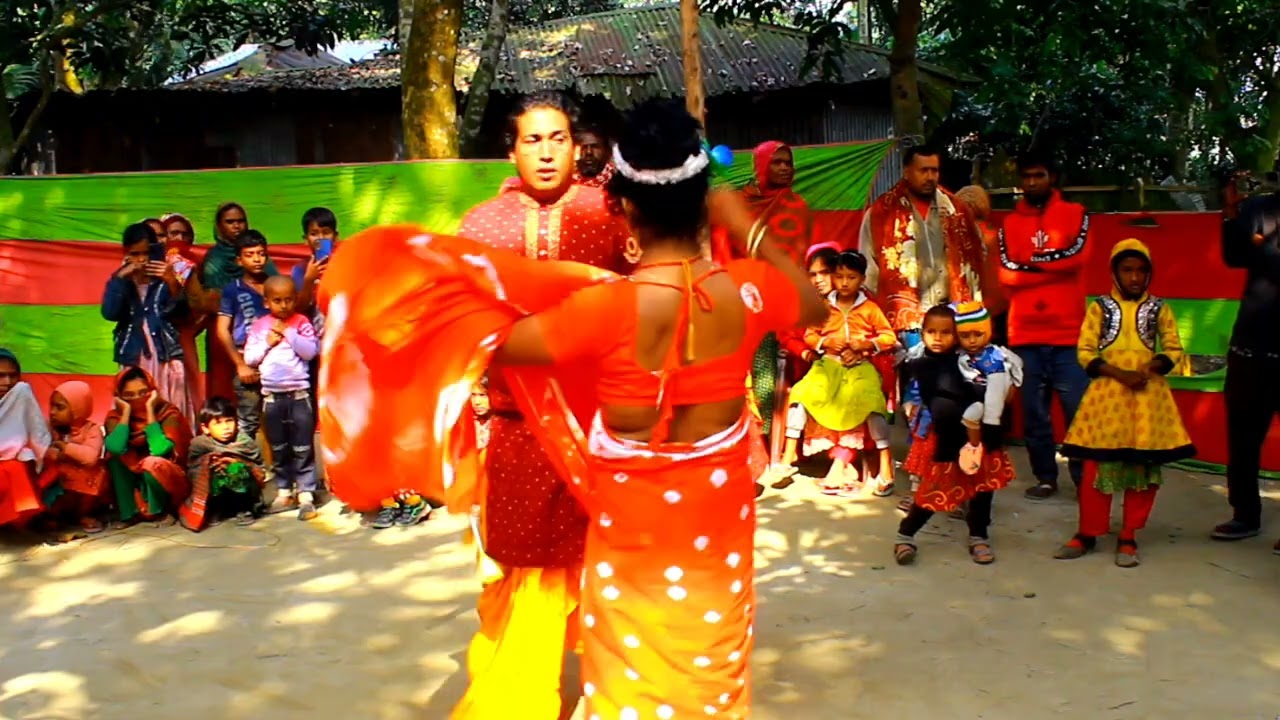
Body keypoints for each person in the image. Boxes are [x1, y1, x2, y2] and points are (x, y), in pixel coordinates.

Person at [316, 99, 826, 718]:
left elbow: (479, 340)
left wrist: (398, 282)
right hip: (715, 540)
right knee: (709, 668)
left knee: (630, 676)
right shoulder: (746, 291)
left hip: (629, 540)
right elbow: (812, 305)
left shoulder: (602, 312)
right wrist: (743, 222)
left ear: (624, 209)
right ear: (702, 202)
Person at [449, 90, 635, 720]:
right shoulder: (481, 226)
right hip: (516, 421)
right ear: (512, 150)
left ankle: (614, 694)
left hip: (600, 423)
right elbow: (462, 319)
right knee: (522, 563)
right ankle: (519, 698)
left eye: (559, 139)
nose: (548, 152)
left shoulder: (610, 216)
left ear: (577, 147)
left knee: (609, 560)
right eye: (533, 140)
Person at [1053, 240, 1196, 566]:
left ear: (1150, 273)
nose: (1135, 277)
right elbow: (1085, 352)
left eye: (1141, 270)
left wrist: (1151, 367)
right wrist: (1120, 374)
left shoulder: (1159, 308)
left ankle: (1129, 536)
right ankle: (1087, 533)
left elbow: (1173, 349)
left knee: (1143, 468)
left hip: (1148, 399)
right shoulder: (1099, 308)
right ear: (1114, 272)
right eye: (1127, 270)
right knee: (1096, 468)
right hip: (1106, 400)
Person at [998, 150, 1092, 501]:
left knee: (1078, 413)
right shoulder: (1009, 224)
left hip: (1069, 334)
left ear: (1052, 177)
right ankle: (1045, 478)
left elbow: (1078, 257)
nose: (1032, 182)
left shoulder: (1076, 214)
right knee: (1035, 415)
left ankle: (1085, 479)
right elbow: (1005, 274)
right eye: (1027, 177)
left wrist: (1029, 265)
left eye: (1039, 175)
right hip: (1025, 334)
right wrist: (1054, 266)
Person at [895, 305, 1015, 566]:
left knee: (983, 488)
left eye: (947, 332)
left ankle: (979, 536)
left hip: (982, 437)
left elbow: (1004, 394)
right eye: (931, 332)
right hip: (947, 437)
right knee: (934, 489)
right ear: (922, 333)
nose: (938, 338)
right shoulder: (922, 364)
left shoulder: (975, 360)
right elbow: (951, 396)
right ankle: (905, 534)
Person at [787, 250, 895, 496]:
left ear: (862, 279)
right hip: (828, 367)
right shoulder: (825, 306)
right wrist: (825, 343)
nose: (844, 283)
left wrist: (865, 345)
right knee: (802, 395)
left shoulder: (870, 308)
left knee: (870, 403)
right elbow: (808, 335)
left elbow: (888, 337)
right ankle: (786, 459)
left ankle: (885, 466)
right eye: (839, 276)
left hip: (860, 368)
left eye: (851, 277)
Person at [1213, 172, 1280, 546]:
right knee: (1242, 438)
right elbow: (1234, 257)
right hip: (1250, 345)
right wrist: (1230, 214)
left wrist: (1262, 247)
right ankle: (1244, 514)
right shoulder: (1258, 208)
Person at [858, 145, 985, 335]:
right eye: (923, 170)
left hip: (954, 315)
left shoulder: (957, 211)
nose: (930, 177)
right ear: (907, 172)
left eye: (934, 171)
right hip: (906, 322)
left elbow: (978, 253)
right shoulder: (882, 213)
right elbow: (868, 267)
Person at [100, 222, 195, 423]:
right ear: (126, 253)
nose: (141, 260)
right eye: (135, 254)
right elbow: (110, 313)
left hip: (165, 357)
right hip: (134, 357)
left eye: (146, 253)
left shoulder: (165, 278)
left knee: (169, 410)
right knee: (135, 410)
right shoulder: (120, 280)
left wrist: (172, 282)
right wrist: (120, 280)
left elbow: (183, 315)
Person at [243, 275, 319, 520]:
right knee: (278, 447)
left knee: (302, 446)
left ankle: (306, 493)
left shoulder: (301, 322)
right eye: (277, 301)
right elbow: (250, 358)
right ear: (266, 302)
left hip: (298, 395)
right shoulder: (259, 327)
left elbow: (310, 352)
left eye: (288, 300)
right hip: (272, 398)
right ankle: (284, 491)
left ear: (295, 300)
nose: (284, 305)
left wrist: (289, 334)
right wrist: (267, 342)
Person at [769, 244, 839, 487]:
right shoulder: (802, 302)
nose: (819, 280)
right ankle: (788, 458)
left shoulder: (855, 301)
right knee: (801, 392)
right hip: (807, 367)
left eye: (825, 272)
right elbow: (787, 336)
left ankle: (841, 459)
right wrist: (807, 353)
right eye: (813, 274)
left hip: (846, 369)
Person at [198, 203, 280, 402]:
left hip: (270, 345)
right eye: (230, 222)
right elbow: (213, 301)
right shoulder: (214, 260)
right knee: (233, 396)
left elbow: (279, 293)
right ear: (219, 226)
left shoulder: (264, 265)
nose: (236, 226)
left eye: (240, 221)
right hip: (229, 337)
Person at [104, 367, 193, 527]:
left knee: (152, 463)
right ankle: (129, 514)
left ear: (153, 392)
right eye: (129, 395)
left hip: (167, 478)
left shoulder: (168, 413)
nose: (137, 399)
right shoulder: (115, 417)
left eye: (143, 392)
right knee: (115, 460)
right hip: (135, 478)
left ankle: (160, 512)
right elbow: (115, 447)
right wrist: (126, 414)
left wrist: (150, 411)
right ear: (120, 397)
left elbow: (159, 450)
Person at [216, 230, 275, 457]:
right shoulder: (233, 289)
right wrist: (240, 364)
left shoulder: (276, 285)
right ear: (239, 260)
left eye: (261, 253)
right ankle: (241, 466)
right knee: (248, 420)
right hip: (247, 362)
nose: (257, 259)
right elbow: (222, 330)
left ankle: (280, 470)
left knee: (279, 419)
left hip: (278, 362)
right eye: (250, 255)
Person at [952, 301, 1023, 468]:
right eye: (965, 336)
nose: (972, 341)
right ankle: (974, 448)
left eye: (978, 334)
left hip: (992, 407)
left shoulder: (994, 357)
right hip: (974, 398)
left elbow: (996, 391)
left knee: (974, 418)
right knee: (969, 417)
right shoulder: (961, 355)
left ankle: (981, 445)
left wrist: (992, 421)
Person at [181, 397, 265, 532]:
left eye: (229, 421)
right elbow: (192, 468)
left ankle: (243, 509)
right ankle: (216, 508)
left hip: (245, 492)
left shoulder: (244, 442)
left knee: (235, 468)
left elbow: (259, 469)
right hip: (215, 490)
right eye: (218, 423)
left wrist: (238, 462)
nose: (225, 427)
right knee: (208, 468)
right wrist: (211, 461)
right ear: (206, 428)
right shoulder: (200, 444)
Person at [37, 381, 109, 534]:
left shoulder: (92, 429)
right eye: (52, 406)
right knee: (51, 476)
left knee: (96, 474)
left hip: (84, 481)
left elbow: (90, 457)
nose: (52, 412)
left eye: (60, 407)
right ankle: (53, 515)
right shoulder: (51, 428)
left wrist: (65, 447)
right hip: (62, 481)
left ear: (78, 409)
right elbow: (43, 451)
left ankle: (84, 514)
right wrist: (55, 454)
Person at [161, 212, 208, 413]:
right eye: (173, 233)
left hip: (184, 333)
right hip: (156, 336)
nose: (180, 238)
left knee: (188, 383)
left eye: (185, 234)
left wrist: (193, 327)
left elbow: (203, 304)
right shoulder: (151, 263)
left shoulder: (196, 265)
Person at [0, 349, 51, 529]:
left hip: (13, 461)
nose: (7, 382)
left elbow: (38, 434)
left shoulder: (21, 392)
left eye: (13, 376)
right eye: (0, 376)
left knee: (19, 467)